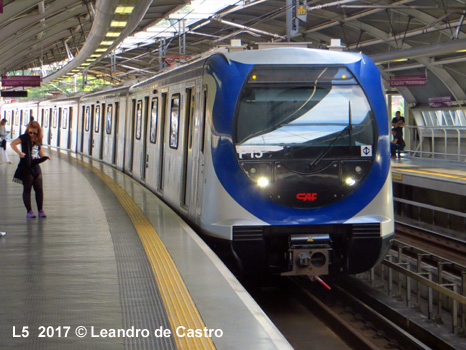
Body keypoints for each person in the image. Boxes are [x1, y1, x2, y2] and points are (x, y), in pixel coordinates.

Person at [11, 121, 51, 218]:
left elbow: (40, 153)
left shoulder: (38, 139)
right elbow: (13, 144)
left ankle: (40, 210)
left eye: (34, 133)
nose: (32, 135)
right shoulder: (24, 137)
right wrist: (20, 153)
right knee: (27, 189)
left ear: (38, 132)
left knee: (39, 189)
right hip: (26, 166)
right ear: (28, 130)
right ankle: (29, 211)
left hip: (36, 166)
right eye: (30, 132)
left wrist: (45, 157)